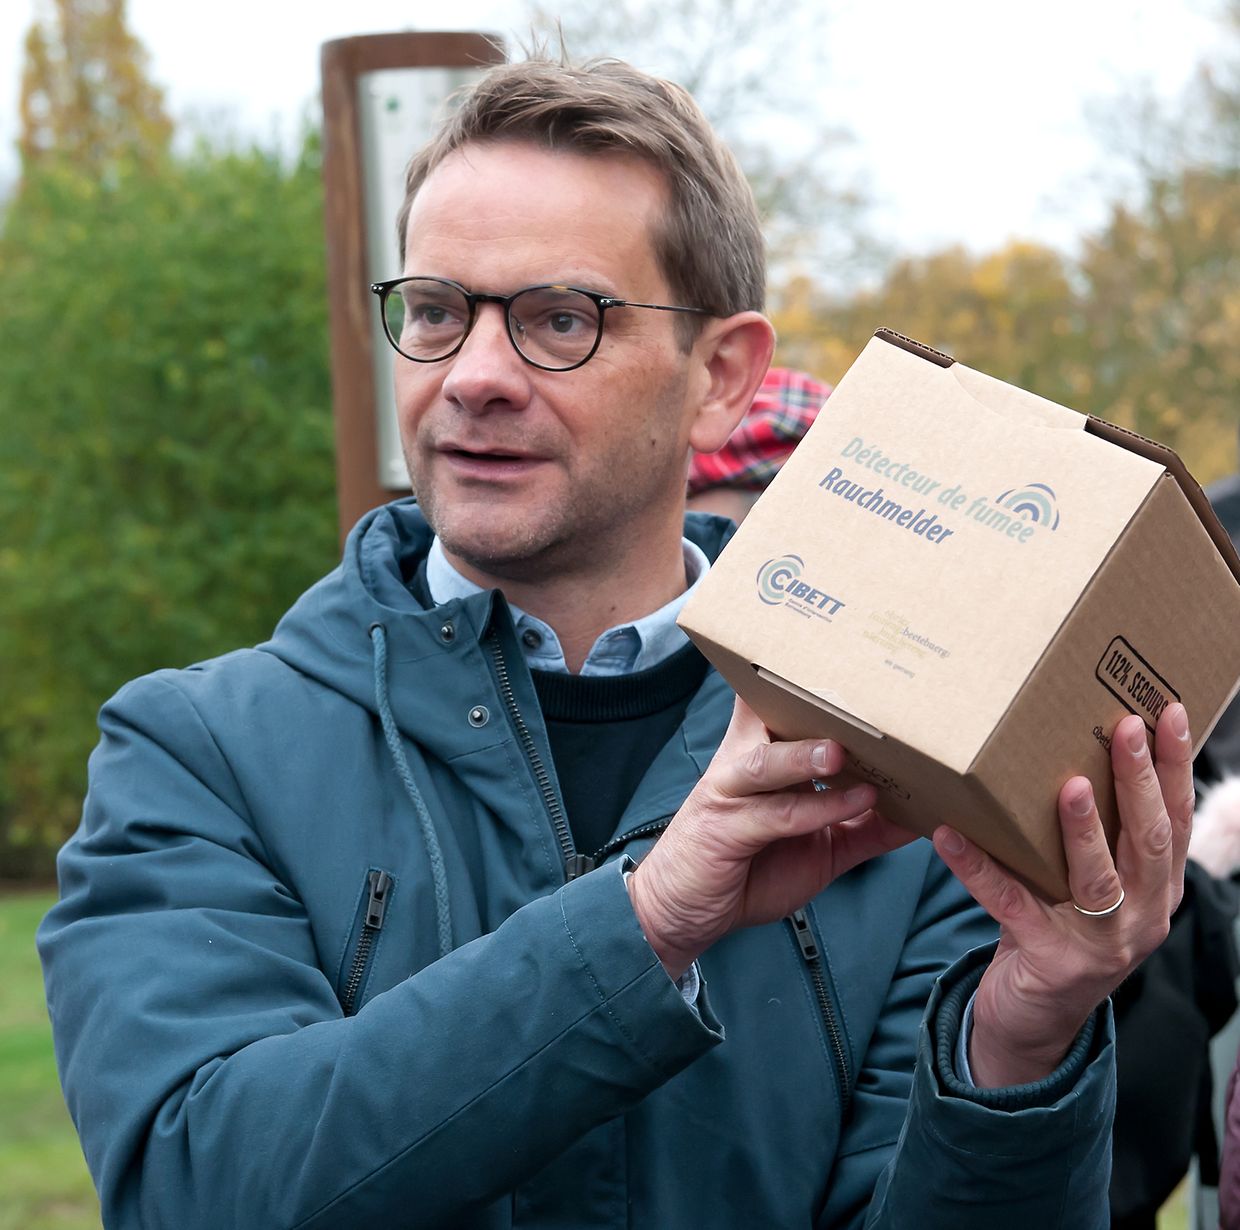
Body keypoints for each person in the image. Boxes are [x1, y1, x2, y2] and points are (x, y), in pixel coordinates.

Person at [38, 56, 1195, 1229]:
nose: (474, 376)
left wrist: (1016, 1046)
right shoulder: (195, 753)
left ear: (722, 377)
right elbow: (201, 1186)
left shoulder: (899, 792)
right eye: (435, 311)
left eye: (558, 320)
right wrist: (646, 925)